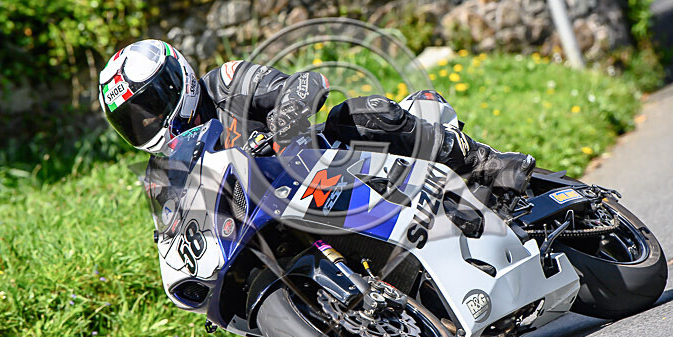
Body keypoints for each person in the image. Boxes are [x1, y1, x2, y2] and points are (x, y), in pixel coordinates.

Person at [98, 39, 534, 197]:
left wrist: (280, 133)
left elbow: (303, 85)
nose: (151, 122)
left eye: (152, 106)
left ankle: (486, 162)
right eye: (136, 120)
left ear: (179, 82)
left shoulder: (226, 82)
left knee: (361, 114)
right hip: (277, 214)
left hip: (328, 166)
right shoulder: (170, 169)